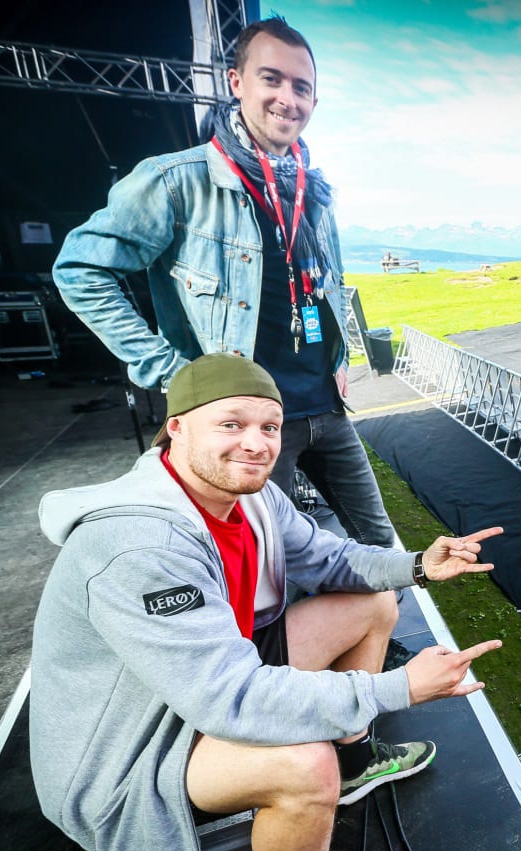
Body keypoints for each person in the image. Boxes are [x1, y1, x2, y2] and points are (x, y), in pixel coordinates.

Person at [28, 353, 502, 851]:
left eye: (270, 427)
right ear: (176, 428)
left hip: (202, 679)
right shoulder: (138, 546)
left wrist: (416, 565)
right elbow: (229, 698)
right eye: (231, 424)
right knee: (304, 763)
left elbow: (329, 559)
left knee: (372, 604)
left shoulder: (252, 498)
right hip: (133, 745)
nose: (256, 444)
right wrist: (398, 688)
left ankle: (354, 759)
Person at [54, 18, 396, 550]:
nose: (287, 99)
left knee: (380, 545)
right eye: (271, 79)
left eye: (301, 87)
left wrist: (339, 357)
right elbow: (80, 270)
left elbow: (329, 281)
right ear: (236, 82)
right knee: (272, 568)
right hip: (244, 423)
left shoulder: (314, 190)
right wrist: (174, 373)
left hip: (325, 408)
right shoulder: (176, 180)